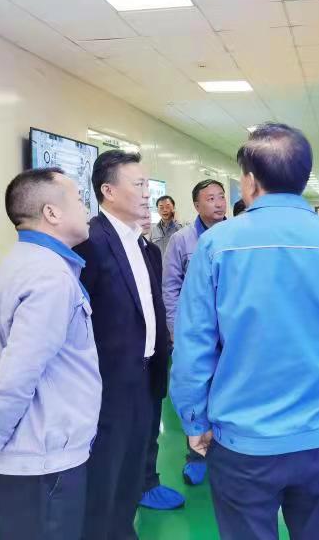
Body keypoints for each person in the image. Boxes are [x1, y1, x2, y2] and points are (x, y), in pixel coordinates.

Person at [170, 123, 319, 540]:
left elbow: (193, 344)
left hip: (243, 441)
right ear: (302, 178)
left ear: (251, 182)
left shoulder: (216, 245)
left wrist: (193, 418)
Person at [0, 167, 101, 540]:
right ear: (51, 213)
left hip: (31, 456)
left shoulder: (23, 262)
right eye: (79, 199)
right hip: (42, 462)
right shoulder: (50, 277)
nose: (87, 207)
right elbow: (17, 372)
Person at [75, 150, 170, 540]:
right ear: (108, 191)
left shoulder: (145, 247)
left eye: (147, 184)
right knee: (104, 479)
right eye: (139, 184)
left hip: (144, 380)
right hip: (106, 385)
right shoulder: (90, 242)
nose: (147, 193)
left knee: (132, 473)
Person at [162, 179, 228, 485]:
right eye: (210, 198)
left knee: (226, 389)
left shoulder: (236, 235)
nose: (219, 203)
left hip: (229, 331)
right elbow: (170, 287)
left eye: (221, 196)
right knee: (195, 391)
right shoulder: (181, 240)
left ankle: (227, 453)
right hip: (196, 331)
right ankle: (196, 455)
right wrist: (176, 331)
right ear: (196, 205)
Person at [137, 211, 186, 511]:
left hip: (154, 354)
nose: (146, 206)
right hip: (120, 363)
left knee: (151, 423)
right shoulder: (96, 246)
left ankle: (147, 482)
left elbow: (161, 296)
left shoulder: (150, 251)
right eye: (137, 191)